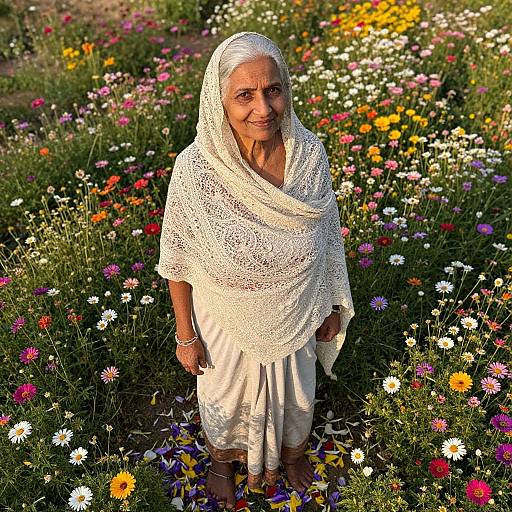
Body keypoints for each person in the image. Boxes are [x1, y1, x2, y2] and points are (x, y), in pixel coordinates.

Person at [157, 31, 355, 510]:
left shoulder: (308, 155)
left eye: (273, 89)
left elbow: (328, 234)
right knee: (225, 396)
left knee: (297, 397)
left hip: (297, 310)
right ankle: (223, 461)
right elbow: (178, 258)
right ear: (218, 101)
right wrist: (186, 335)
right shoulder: (195, 171)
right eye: (244, 95)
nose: (263, 108)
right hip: (225, 318)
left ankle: (291, 455)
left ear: (286, 89)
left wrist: (329, 301)